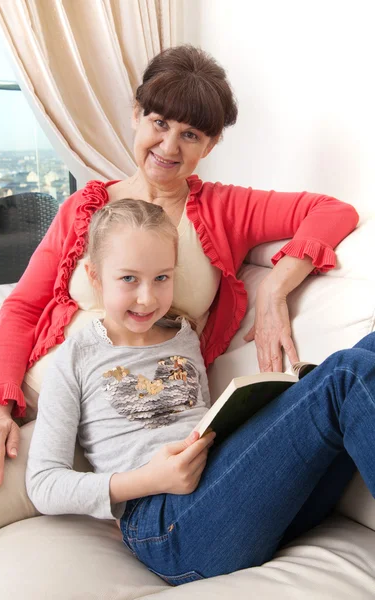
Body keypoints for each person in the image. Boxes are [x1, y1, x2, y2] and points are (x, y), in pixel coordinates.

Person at [0, 45, 359, 493]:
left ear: (211, 143)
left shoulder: (224, 208)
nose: (169, 147)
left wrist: (274, 288)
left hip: (133, 430)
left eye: (191, 134)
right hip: (39, 400)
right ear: (137, 114)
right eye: (159, 123)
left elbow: (332, 210)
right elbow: (23, 308)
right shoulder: (86, 208)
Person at [26, 197, 375, 585]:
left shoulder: (183, 334)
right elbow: (43, 483)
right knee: (347, 374)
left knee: (370, 348)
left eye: (162, 277)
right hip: (163, 525)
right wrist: (151, 479)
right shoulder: (74, 359)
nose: (147, 297)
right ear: (94, 277)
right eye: (128, 279)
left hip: (239, 502)